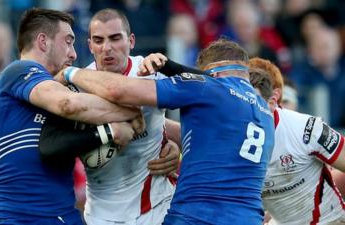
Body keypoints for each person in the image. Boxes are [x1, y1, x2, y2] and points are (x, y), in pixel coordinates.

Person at [57, 38, 275, 224]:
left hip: (198, 215)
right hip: (248, 217)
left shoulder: (207, 87)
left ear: (212, 74)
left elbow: (118, 91)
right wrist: (165, 141)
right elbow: (211, 137)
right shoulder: (265, 112)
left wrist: (70, 73)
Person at [0, 8, 143, 225]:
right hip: (17, 214)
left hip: (63, 216)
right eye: (68, 41)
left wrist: (166, 144)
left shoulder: (68, 90)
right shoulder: (19, 71)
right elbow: (68, 104)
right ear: (43, 42)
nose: (73, 53)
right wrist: (132, 113)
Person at [40, 8, 181, 225]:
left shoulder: (151, 72)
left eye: (115, 38)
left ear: (131, 41)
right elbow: (51, 146)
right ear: (89, 46)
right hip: (102, 215)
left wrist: (180, 149)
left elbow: (204, 111)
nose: (107, 48)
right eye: (98, 40)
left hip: (159, 205)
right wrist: (105, 133)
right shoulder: (74, 88)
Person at [249, 57, 345, 225]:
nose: (244, 110)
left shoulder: (307, 128)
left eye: (252, 101)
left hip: (330, 220)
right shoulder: (229, 139)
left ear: (273, 99)